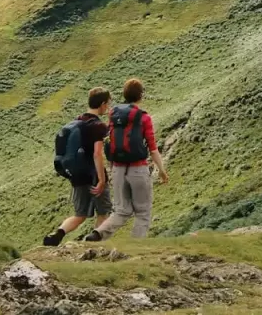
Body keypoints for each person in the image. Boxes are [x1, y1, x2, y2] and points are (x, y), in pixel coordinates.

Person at [85, 78, 169, 241]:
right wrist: (162, 171)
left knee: (121, 211)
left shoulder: (113, 113)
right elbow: (152, 148)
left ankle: (98, 233)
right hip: (138, 169)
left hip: (117, 169)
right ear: (141, 95)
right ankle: (135, 249)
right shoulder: (144, 118)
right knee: (143, 212)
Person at [44, 87, 112, 246]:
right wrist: (101, 179)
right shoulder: (98, 126)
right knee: (103, 212)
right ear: (102, 104)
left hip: (77, 176)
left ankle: (58, 233)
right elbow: (97, 154)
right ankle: (94, 244)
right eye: (107, 104)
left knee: (80, 214)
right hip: (93, 176)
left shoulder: (77, 122)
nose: (107, 107)